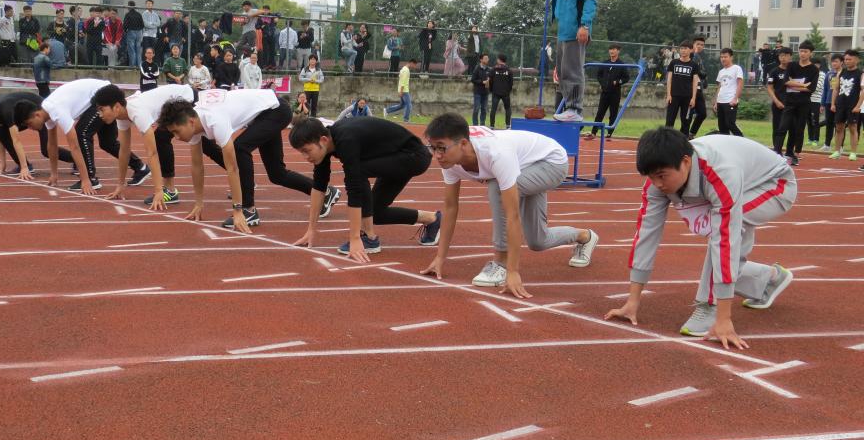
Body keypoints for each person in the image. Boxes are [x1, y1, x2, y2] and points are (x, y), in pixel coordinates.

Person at [606, 127, 797, 349]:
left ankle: (710, 305)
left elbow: (726, 239)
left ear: (686, 162)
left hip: (775, 185)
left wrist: (724, 320)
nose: (657, 183)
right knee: (721, 233)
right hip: (738, 181)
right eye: (651, 177)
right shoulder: (657, 180)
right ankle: (769, 278)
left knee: (726, 230)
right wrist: (632, 301)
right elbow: (646, 234)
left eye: (661, 176)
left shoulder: (722, 172)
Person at [421, 113, 598, 298]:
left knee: (496, 186)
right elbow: (450, 208)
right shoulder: (451, 161)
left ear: (464, 144)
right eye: (432, 148)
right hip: (524, 165)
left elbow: (512, 214)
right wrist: (440, 258)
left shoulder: (495, 154)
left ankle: (500, 264)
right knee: (538, 241)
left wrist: (512, 271)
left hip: (551, 163)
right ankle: (585, 236)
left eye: (441, 148)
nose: (437, 156)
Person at [158, 90, 337, 231]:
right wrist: (198, 203)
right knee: (277, 174)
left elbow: (233, 168)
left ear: (190, 122)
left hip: (275, 110)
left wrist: (238, 209)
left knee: (240, 148)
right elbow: (197, 166)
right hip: (265, 112)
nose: (175, 137)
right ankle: (325, 192)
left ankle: (249, 210)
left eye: (176, 132)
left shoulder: (214, 120)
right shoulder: (195, 122)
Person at [291, 116, 438, 260]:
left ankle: (368, 237)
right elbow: (318, 186)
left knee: (358, 173)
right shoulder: (326, 145)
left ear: (323, 140)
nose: (305, 157)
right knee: (376, 213)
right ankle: (432, 219)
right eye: (301, 152)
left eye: (307, 150)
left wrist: (355, 239)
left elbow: (355, 189)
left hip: (414, 156)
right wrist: (311, 230)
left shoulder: (346, 139)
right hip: (396, 155)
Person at [13, 78, 149, 194]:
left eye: (29, 124)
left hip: (103, 95)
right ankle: (141, 168)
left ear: (36, 115)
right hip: (100, 94)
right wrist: (54, 174)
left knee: (81, 134)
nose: (30, 128)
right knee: (107, 142)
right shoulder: (46, 111)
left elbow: (74, 146)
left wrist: (85, 180)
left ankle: (91, 178)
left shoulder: (56, 109)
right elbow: (52, 145)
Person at [93, 83, 194, 209]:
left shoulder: (137, 111)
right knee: (161, 137)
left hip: (187, 98)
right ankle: (170, 190)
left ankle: (169, 190)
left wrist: (158, 191)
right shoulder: (121, 114)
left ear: (117, 107)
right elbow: (124, 151)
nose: (100, 114)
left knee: (161, 139)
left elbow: (152, 152)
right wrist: (120, 185)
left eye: (102, 109)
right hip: (175, 102)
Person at [535, 0, 597, 122]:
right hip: (563, 29)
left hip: (577, 30)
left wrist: (585, 25)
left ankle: (575, 109)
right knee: (562, 72)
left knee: (573, 70)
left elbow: (589, 0)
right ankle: (569, 106)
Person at [0, 92, 73, 179]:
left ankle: (76, 160)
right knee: (1, 132)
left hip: (39, 113)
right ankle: (25, 165)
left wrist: (24, 168)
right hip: (23, 117)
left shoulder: (6, 110)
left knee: (46, 150)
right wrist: (3, 163)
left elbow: (16, 140)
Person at [776, 42, 819, 165]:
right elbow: (785, 82)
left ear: (811, 53)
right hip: (789, 102)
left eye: (805, 51)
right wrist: (802, 85)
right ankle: (777, 152)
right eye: (801, 51)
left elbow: (811, 88)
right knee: (783, 126)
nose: (803, 54)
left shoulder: (814, 69)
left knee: (797, 130)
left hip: (804, 103)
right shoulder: (792, 66)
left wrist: (794, 84)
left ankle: (791, 153)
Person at [585, 44, 628, 140]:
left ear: (618, 51)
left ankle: (609, 134)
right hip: (605, 92)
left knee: (613, 113)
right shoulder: (605, 63)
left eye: (614, 49)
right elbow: (599, 75)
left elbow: (626, 78)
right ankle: (593, 132)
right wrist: (603, 83)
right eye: (610, 49)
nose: (611, 51)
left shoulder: (621, 64)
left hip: (615, 93)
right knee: (600, 112)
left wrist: (617, 82)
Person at [829, 48, 862, 162]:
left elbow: (863, 91)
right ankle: (837, 151)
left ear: (857, 60)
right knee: (838, 127)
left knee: (853, 128)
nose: (847, 61)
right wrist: (833, 103)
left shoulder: (860, 74)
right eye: (845, 59)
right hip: (840, 103)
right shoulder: (840, 72)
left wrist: (858, 106)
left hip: (852, 104)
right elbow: (835, 89)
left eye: (849, 59)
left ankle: (853, 152)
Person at [665, 41, 701, 135]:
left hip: (687, 97)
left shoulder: (694, 65)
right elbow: (669, 79)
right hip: (674, 96)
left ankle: (684, 141)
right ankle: (667, 141)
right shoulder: (674, 62)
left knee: (686, 121)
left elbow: (695, 82)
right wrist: (669, 94)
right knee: (669, 120)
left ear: (691, 50)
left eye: (685, 48)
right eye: (681, 48)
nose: (683, 50)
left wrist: (693, 98)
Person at [766, 47, 793, 154]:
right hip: (778, 104)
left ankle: (790, 152)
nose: (783, 58)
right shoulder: (774, 71)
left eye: (786, 55)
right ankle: (777, 151)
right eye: (781, 56)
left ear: (790, 56)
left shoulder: (794, 70)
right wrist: (776, 101)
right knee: (777, 127)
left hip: (792, 104)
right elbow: (769, 87)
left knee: (792, 128)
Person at [713, 48, 744, 136]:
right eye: (721, 57)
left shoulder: (737, 68)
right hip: (720, 101)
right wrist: (716, 102)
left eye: (725, 57)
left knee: (730, 123)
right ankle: (726, 145)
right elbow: (719, 87)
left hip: (730, 101)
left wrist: (735, 98)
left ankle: (742, 140)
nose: (723, 59)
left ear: (731, 57)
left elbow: (740, 84)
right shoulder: (721, 72)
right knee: (722, 126)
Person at [819, 54, 842, 151]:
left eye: (836, 61)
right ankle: (827, 145)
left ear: (841, 62)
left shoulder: (844, 74)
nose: (834, 63)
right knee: (829, 123)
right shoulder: (829, 74)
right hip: (829, 101)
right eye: (832, 62)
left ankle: (840, 146)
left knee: (839, 125)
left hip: (840, 102)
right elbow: (825, 89)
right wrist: (822, 104)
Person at [688, 36, 709, 138]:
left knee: (702, 113)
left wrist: (704, 82)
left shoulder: (699, 57)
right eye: (698, 44)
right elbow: (694, 70)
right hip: (690, 89)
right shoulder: (691, 55)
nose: (700, 46)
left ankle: (691, 133)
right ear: (693, 45)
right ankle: (684, 135)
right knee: (689, 113)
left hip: (699, 89)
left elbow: (703, 73)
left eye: (702, 45)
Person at [489, 54, 515, 129]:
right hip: (505, 93)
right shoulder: (509, 70)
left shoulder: (494, 69)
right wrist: (508, 90)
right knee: (507, 108)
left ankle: (491, 126)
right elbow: (511, 83)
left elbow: (490, 80)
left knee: (493, 109)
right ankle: (507, 125)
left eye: (498, 59)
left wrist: (491, 89)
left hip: (496, 92)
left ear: (499, 60)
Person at [470, 54, 492, 126]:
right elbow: (473, 79)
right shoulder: (477, 68)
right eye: (485, 58)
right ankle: (475, 125)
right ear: (481, 60)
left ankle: (482, 124)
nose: (487, 60)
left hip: (485, 92)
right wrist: (482, 82)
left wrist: (490, 82)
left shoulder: (489, 69)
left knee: (484, 109)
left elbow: (491, 80)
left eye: (487, 58)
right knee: (476, 108)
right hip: (477, 92)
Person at [123, 1, 144, 67]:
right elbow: (142, 25)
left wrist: (125, 30)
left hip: (131, 31)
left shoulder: (128, 14)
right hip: (139, 32)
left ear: (129, 6)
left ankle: (132, 66)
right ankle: (139, 66)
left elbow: (125, 25)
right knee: (138, 50)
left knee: (131, 50)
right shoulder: (138, 14)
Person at [141, 0, 161, 64]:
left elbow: (158, 23)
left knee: (152, 50)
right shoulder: (144, 14)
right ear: (146, 5)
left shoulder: (155, 14)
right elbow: (145, 24)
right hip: (146, 35)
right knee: (146, 50)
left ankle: (152, 63)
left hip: (153, 35)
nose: (149, 5)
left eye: (150, 4)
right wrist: (153, 25)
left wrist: (150, 24)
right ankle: (145, 63)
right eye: (148, 4)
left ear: (152, 5)